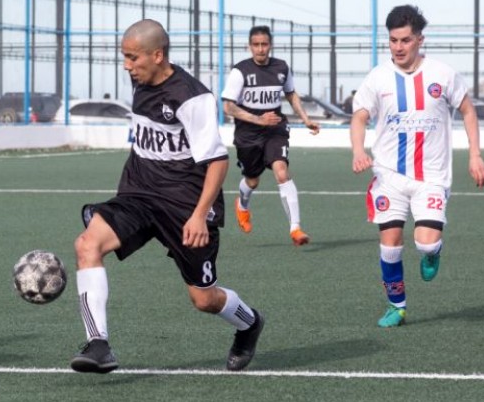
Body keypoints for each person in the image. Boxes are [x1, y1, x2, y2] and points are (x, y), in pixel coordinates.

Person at [70, 19, 264, 374]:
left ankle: (249, 323)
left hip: (185, 206)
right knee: (87, 245)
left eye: (132, 58)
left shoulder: (192, 98)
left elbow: (218, 162)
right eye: (124, 58)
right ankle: (98, 344)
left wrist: (199, 214)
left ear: (157, 55)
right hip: (139, 194)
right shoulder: (139, 79)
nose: (127, 66)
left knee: (203, 299)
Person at [350, 4, 484, 328]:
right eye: (393, 40)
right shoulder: (378, 77)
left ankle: (431, 252)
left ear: (419, 40)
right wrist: (358, 149)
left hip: (432, 176)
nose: (398, 47)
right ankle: (397, 306)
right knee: (390, 244)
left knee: (426, 241)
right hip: (389, 175)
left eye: (405, 40)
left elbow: (468, 111)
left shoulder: (442, 74)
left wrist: (475, 154)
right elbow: (359, 117)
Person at [221, 25, 320, 246]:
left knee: (281, 171)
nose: (260, 49)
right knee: (252, 180)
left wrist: (305, 119)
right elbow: (228, 107)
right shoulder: (240, 71)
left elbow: (291, 94)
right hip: (247, 133)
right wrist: (258, 120)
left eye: (264, 44)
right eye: (256, 45)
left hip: (275, 129)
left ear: (270, 45)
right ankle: (242, 205)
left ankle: (295, 228)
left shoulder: (281, 68)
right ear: (249, 46)